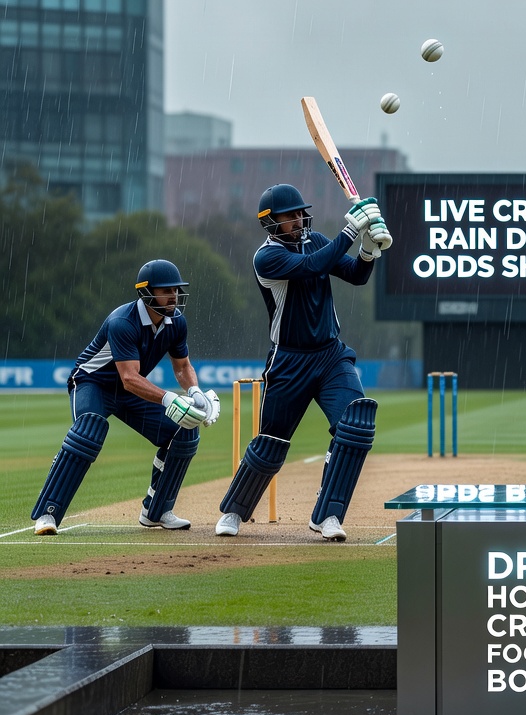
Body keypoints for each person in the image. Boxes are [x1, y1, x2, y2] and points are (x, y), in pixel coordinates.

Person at [215, 184, 391, 541]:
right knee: (271, 443)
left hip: (331, 356)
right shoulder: (266, 257)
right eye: (289, 216)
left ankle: (328, 515)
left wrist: (369, 249)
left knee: (355, 424)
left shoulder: (316, 240)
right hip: (289, 360)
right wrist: (352, 230)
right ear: (270, 223)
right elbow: (313, 266)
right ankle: (234, 510)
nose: (298, 220)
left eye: (300, 213)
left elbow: (355, 274)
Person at [30, 260, 219, 535]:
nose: (174, 296)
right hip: (92, 383)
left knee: (184, 430)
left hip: (129, 390)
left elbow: (182, 366)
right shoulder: (123, 322)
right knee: (88, 431)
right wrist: (169, 399)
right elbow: (129, 378)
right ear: (146, 292)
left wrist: (195, 392)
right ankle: (48, 514)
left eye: (176, 290)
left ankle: (156, 511)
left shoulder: (176, 321)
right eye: (166, 290)